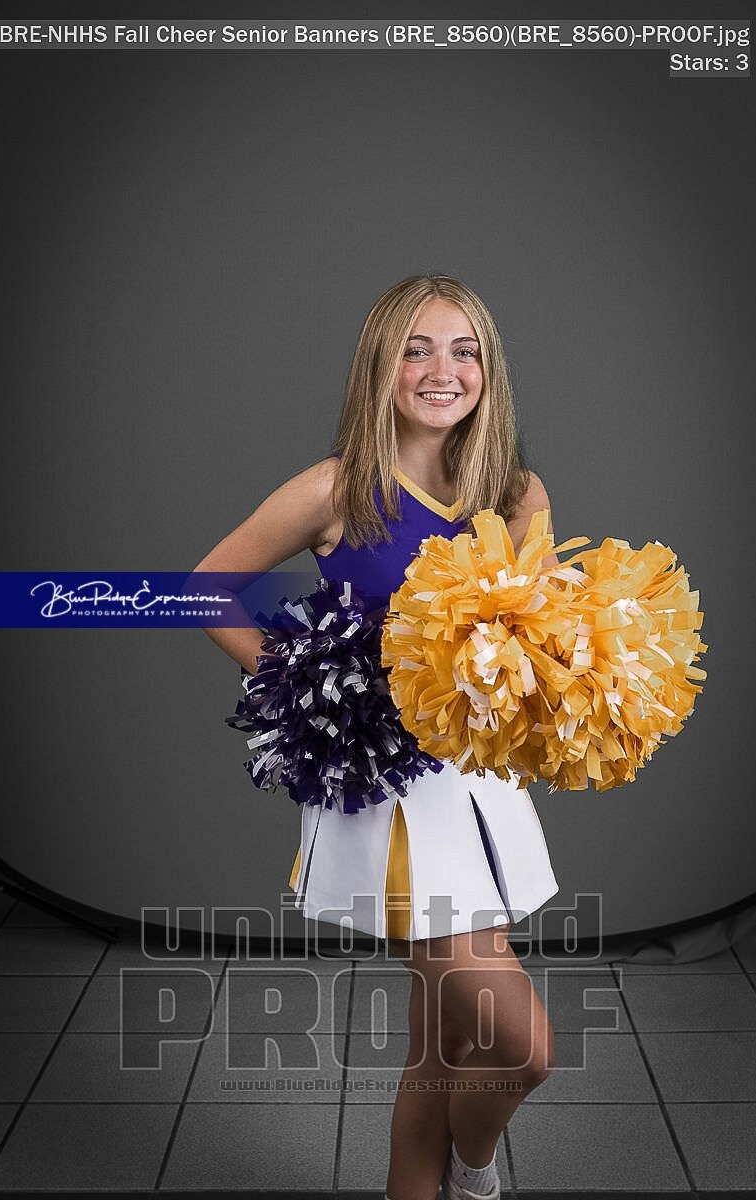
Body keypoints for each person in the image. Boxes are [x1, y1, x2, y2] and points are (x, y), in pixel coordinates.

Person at [193, 274, 559, 1200]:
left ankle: (420, 1185)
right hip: (393, 800)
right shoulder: (336, 489)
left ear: (488, 370)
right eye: (416, 349)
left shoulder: (517, 493)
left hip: (482, 789)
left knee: (440, 1048)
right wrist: (303, 682)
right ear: (380, 366)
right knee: (524, 1050)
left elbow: (539, 641)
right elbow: (205, 586)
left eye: (464, 350)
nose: (443, 370)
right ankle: (475, 1167)